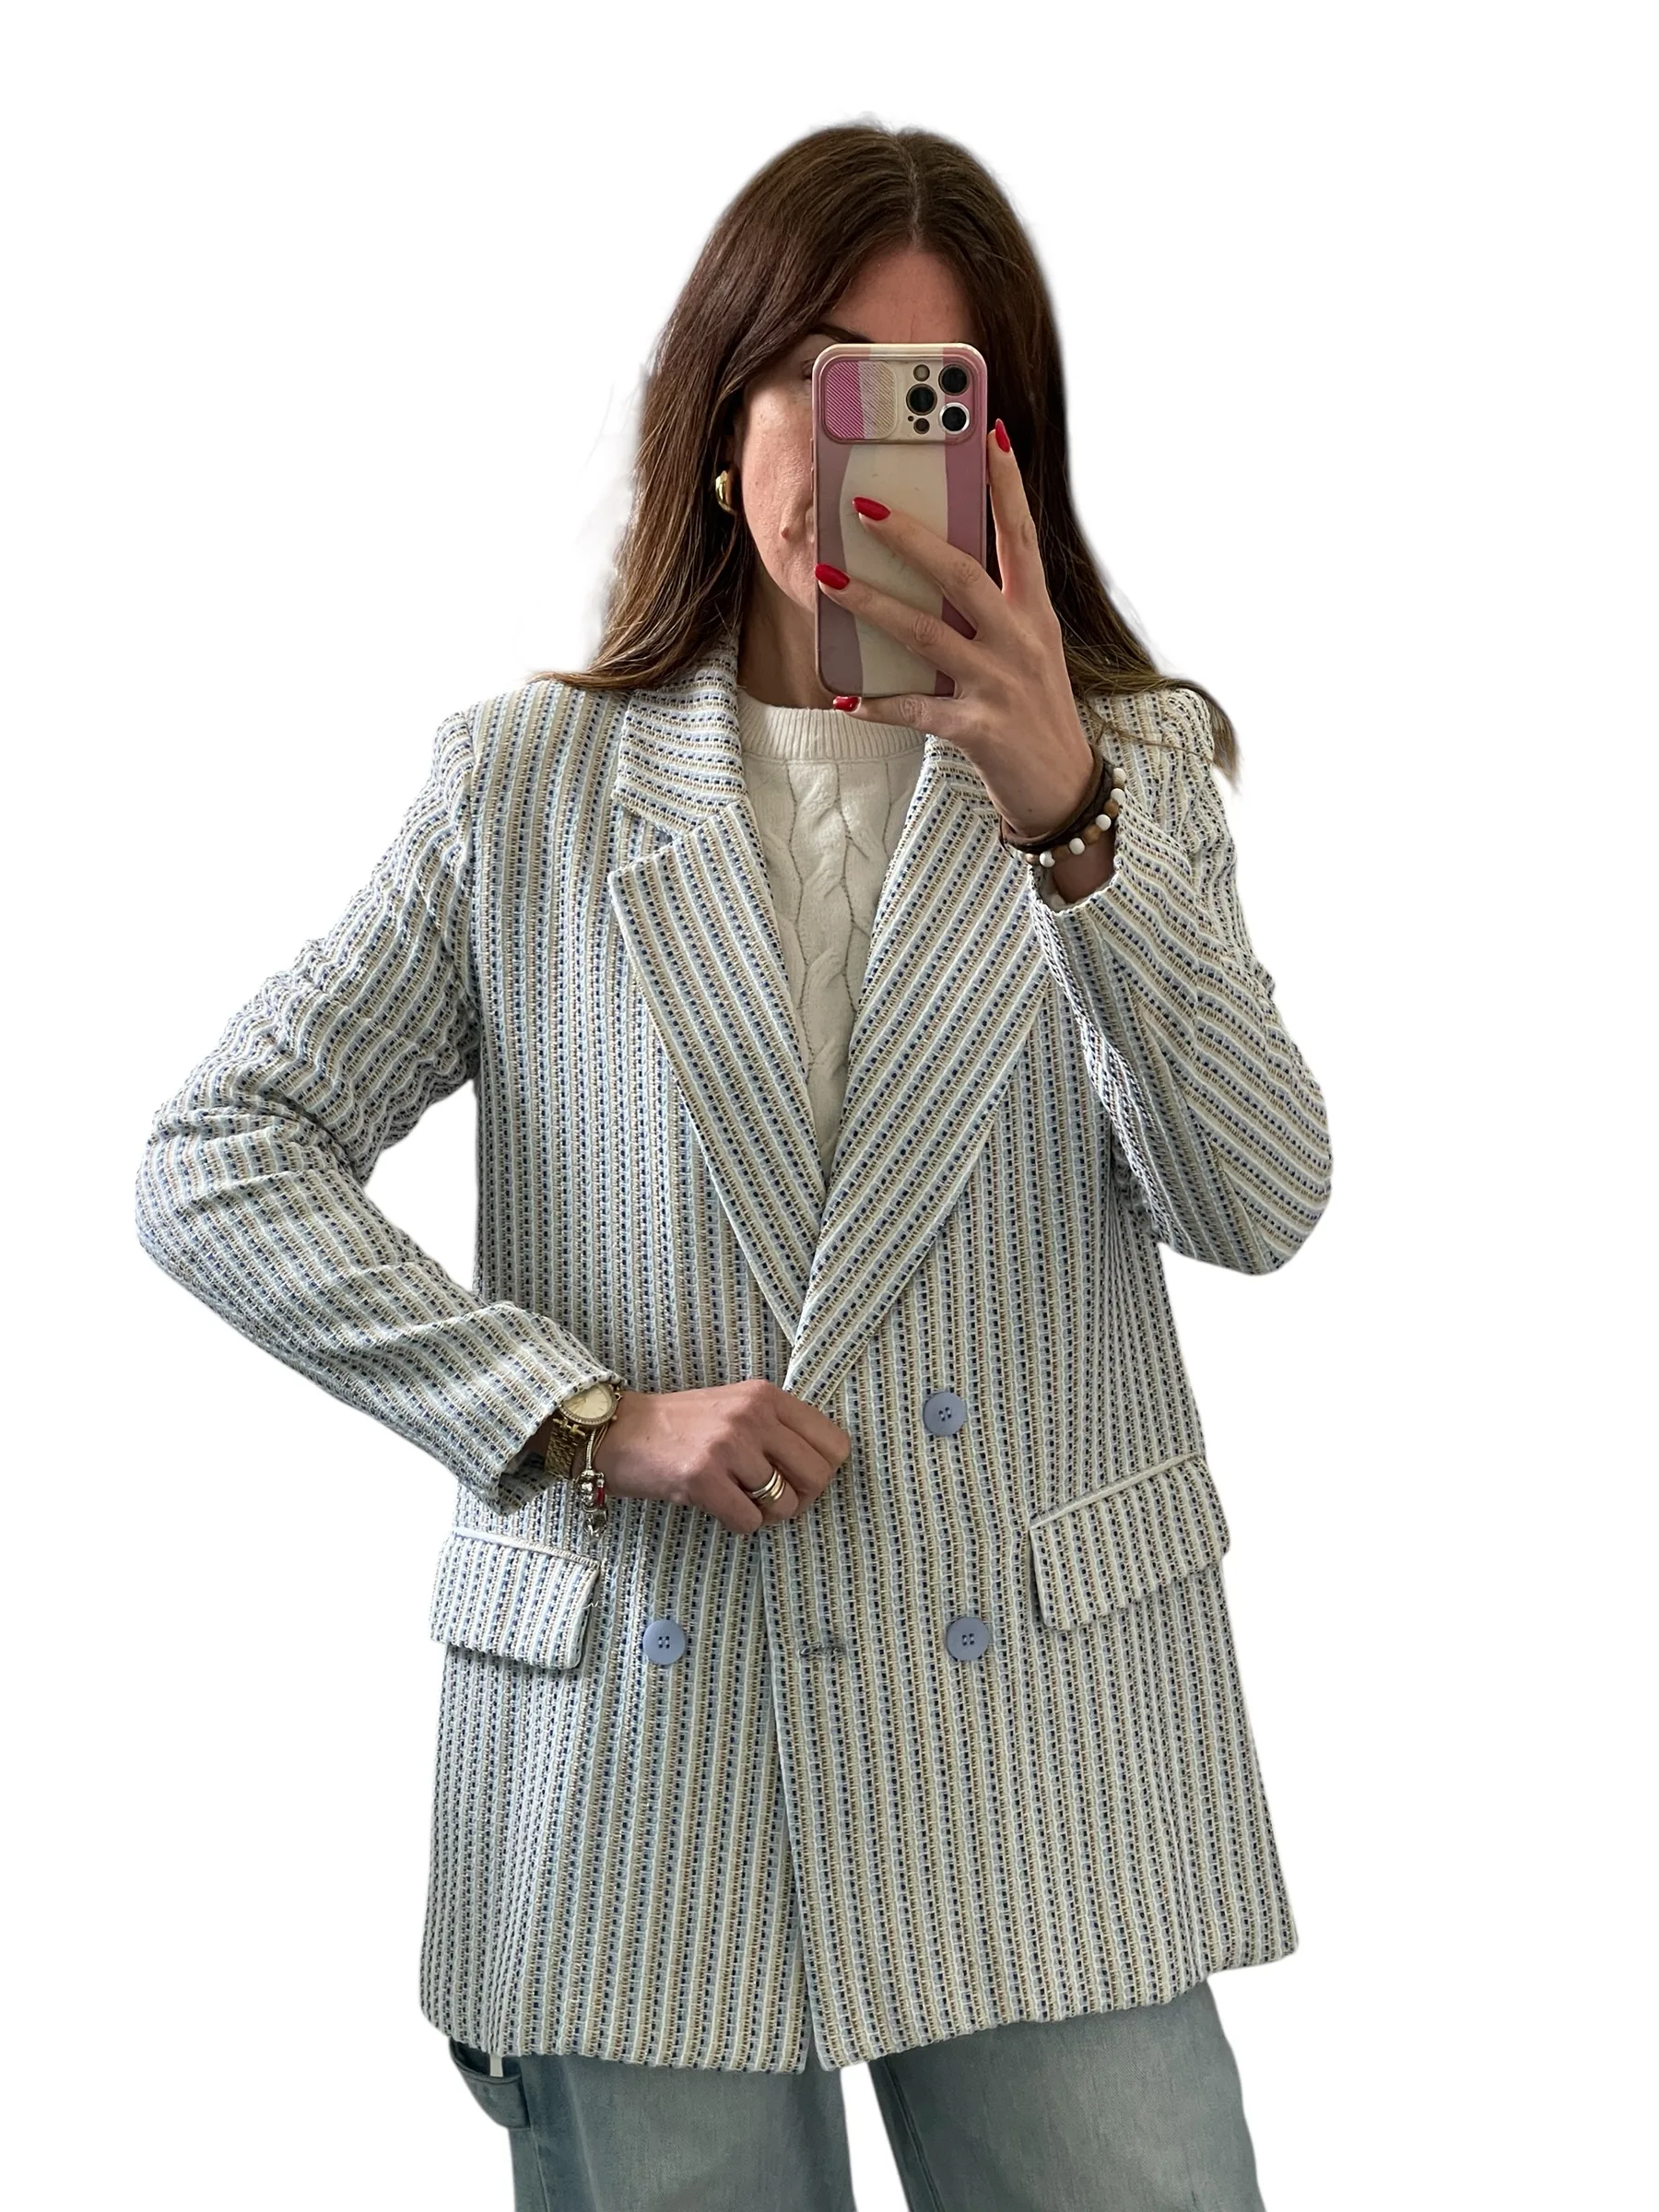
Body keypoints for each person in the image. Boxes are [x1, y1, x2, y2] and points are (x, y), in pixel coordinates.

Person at [135, 122, 1332, 2212]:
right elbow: (217, 1155)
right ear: (721, 413)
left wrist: (1062, 816)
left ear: (1004, 455)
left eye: (929, 395)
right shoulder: (528, 784)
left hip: (1037, 1733)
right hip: (643, 1744)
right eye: (817, 374)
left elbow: (1259, 1202)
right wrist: (575, 1415)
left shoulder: (1120, 770)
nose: (860, 447)